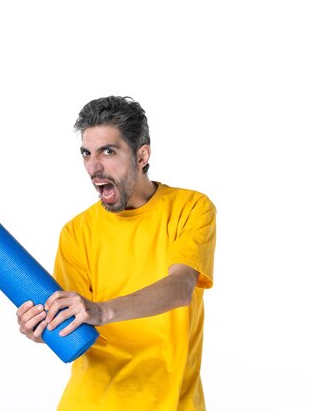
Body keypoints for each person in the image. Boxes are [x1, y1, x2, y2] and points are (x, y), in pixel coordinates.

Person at [16, 96, 216, 411]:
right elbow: (72, 323)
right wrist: (43, 329)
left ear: (142, 155)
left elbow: (181, 288)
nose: (94, 167)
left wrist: (102, 311)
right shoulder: (76, 232)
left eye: (108, 152)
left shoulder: (190, 209)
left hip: (171, 401)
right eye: (86, 154)